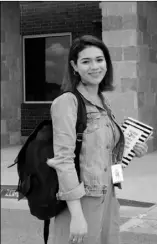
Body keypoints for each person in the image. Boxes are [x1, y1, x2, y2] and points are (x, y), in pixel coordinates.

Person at [47, 35, 149, 244]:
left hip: (109, 196)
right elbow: (64, 160)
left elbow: (106, 152)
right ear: (74, 66)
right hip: (83, 201)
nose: (95, 66)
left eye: (99, 60)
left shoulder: (104, 101)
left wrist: (132, 149)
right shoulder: (67, 102)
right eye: (86, 61)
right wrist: (76, 216)